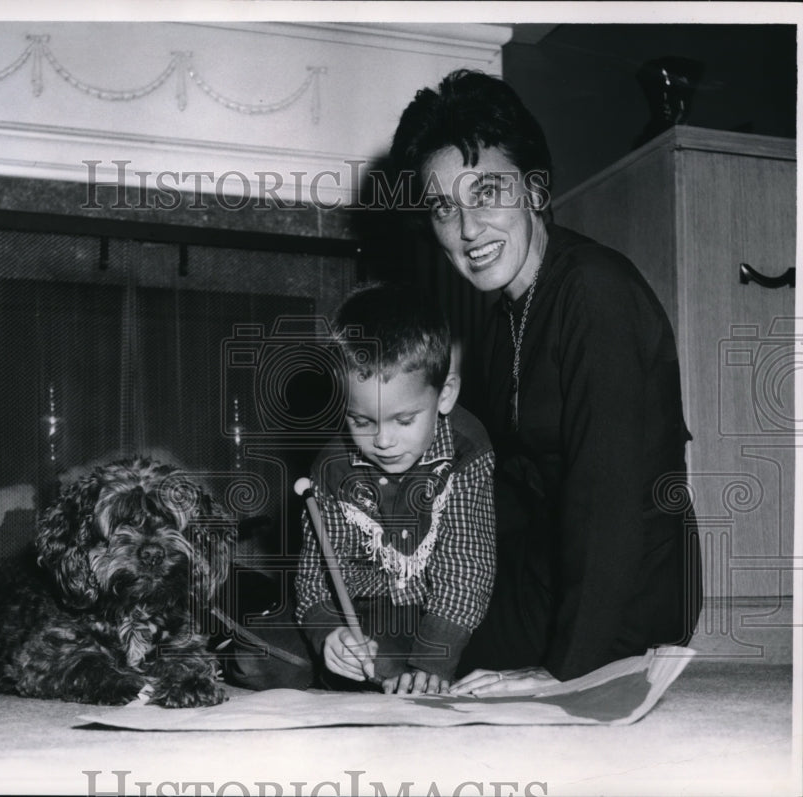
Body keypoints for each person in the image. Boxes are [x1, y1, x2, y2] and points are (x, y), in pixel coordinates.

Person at [389, 69, 703, 697]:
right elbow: (505, 490)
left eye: (487, 192)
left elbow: (610, 501)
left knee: (432, 658)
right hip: (551, 567)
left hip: (630, 582)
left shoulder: (594, 293)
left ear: (534, 189)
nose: (468, 228)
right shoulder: (504, 317)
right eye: (444, 208)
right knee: (402, 643)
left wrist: (566, 673)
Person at [225, 282, 496, 694]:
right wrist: (329, 635)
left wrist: (431, 662)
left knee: (392, 665)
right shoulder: (331, 466)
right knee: (254, 658)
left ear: (446, 395)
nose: (383, 441)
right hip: (348, 609)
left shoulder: (467, 449)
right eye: (362, 421)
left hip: (423, 614)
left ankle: (349, 674)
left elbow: (466, 571)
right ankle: (320, 665)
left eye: (404, 420)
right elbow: (314, 579)